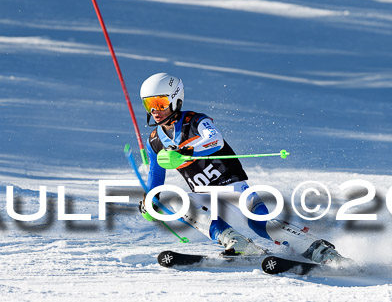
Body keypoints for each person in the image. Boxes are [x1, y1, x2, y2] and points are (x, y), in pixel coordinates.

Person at [138, 72, 342, 264]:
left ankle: (321, 251)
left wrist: (186, 152)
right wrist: (150, 200)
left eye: (160, 103)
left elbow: (215, 141)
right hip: (206, 198)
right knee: (174, 199)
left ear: (175, 99)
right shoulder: (155, 141)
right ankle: (239, 244)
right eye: (149, 104)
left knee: (261, 225)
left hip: (233, 189)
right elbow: (156, 176)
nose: (155, 110)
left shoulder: (196, 121)